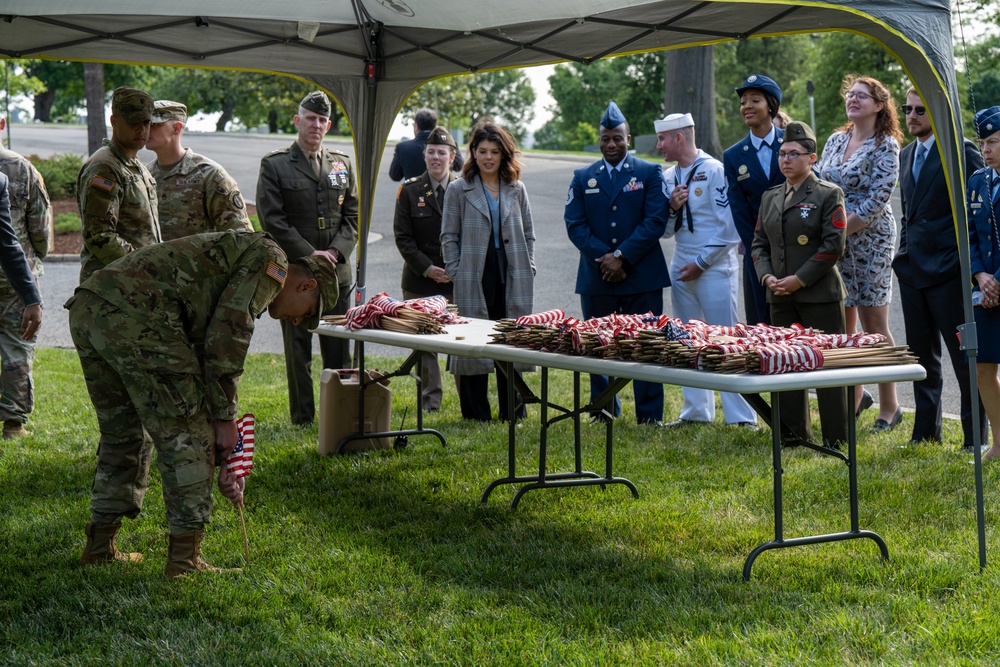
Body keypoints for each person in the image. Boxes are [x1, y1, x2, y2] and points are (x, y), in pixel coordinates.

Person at [68, 230, 340, 576]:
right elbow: (227, 335)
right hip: (141, 315)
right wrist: (223, 420)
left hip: (91, 306)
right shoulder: (273, 262)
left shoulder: (248, 253)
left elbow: (202, 346)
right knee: (189, 434)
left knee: (125, 433)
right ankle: (184, 562)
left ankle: (99, 546)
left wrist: (223, 428)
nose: (299, 321)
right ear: (308, 287)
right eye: (309, 313)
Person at [256, 90, 357, 425]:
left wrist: (334, 251)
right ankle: (303, 416)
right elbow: (272, 218)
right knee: (297, 349)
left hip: (335, 273)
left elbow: (353, 216)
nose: (315, 125)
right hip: (295, 275)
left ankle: (339, 410)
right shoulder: (276, 164)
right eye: (309, 119)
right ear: (297, 121)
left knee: (338, 346)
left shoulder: (342, 164)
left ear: (328, 125)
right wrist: (307, 252)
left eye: (321, 120)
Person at [564, 101, 669, 424]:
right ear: (599, 139)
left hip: (642, 276)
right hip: (598, 277)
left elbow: (656, 220)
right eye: (606, 138)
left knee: (646, 344)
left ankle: (649, 415)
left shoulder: (649, 172)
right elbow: (574, 224)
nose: (612, 144)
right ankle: (604, 409)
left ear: (629, 138)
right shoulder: (583, 177)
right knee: (598, 344)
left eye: (618, 138)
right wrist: (605, 259)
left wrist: (621, 256)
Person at [894, 88, 987, 452]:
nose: (912, 115)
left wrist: (972, 267)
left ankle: (974, 438)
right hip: (912, 270)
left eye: (920, 109)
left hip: (950, 270)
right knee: (921, 358)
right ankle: (925, 432)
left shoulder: (961, 150)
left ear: (938, 112)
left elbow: (978, 213)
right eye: (908, 109)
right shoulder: (906, 153)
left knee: (966, 360)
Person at [656, 112, 758, 430]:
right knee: (687, 337)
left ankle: (741, 416)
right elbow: (666, 233)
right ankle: (696, 411)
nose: (658, 145)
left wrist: (701, 264)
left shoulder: (714, 170)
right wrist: (671, 208)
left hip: (713, 266)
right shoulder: (667, 175)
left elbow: (730, 227)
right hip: (681, 263)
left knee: (724, 337)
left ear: (679, 138)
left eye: (662, 139)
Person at [751, 121, 849, 447]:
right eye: (782, 153)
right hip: (780, 295)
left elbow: (833, 247)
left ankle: (836, 439)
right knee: (787, 367)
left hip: (819, 297)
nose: (786, 159)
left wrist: (798, 280)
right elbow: (759, 244)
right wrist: (767, 277)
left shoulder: (827, 194)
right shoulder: (770, 197)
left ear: (812, 158)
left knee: (827, 370)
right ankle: (793, 435)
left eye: (794, 153)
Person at [817, 74, 903, 432]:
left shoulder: (887, 145)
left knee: (874, 325)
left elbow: (876, 199)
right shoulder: (836, 140)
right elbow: (821, 183)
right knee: (845, 324)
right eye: (850, 94)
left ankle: (890, 406)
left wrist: (837, 233)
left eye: (862, 96)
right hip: (837, 240)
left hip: (871, 241)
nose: (853, 100)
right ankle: (855, 397)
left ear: (879, 105)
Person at [441, 122, 534, 422]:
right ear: (473, 153)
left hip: (512, 274)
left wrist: (529, 265)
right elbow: (448, 235)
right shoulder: (459, 189)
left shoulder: (516, 188)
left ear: (504, 154)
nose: (488, 157)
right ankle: (475, 413)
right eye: (482, 151)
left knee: (510, 341)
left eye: (494, 152)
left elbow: (529, 233)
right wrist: (455, 270)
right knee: (472, 342)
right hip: (473, 275)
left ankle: (513, 411)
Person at [393, 126, 458, 412]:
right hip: (420, 280)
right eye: (430, 152)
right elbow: (403, 238)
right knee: (425, 343)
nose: (435, 157)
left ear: (452, 156)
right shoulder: (409, 191)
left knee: (461, 339)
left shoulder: (464, 188)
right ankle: (431, 402)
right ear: (424, 155)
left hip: (457, 279)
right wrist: (427, 268)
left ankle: (468, 398)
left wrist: (456, 269)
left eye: (441, 153)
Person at [76, 86, 160, 283]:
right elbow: (100, 236)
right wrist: (148, 266)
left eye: (146, 122)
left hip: (135, 285)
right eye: (133, 122)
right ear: (114, 121)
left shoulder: (137, 167)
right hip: (112, 290)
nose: (141, 129)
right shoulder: (105, 167)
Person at [0, 115, 51, 439]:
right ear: (2, 124)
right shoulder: (22, 169)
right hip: (16, 276)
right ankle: (14, 425)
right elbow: (41, 227)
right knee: (17, 348)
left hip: (15, 268)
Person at [723, 74, 786, 326]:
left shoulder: (793, 142)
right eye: (743, 102)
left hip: (796, 249)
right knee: (761, 321)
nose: (746, 106)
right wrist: (756, 251)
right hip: (757, 254)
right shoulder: (733, 155)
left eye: (755, 100)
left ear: (771, 106)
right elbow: (739, 210)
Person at [145, 100, 253, 241]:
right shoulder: (145, 174)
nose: (146, 129)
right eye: (144, 123)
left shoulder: (210, 174)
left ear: (177, 128)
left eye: (154, 125)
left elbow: (241, 236)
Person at [968, 106, 1000, 461]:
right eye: (983, 142)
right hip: (986, 289)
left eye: (993, 141)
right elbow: (971, 236)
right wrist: (980, 275)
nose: (986, 149)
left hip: (997, 286)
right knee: (983, 367)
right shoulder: (978, 180)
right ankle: (999, 442)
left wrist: (997, 282)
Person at [389, 108, 464, 181]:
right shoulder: (449, 144)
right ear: (435, 126)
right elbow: (459, 166)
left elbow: (395, 176)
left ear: (416, 126)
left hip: (413, 192)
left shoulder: (403, 148)